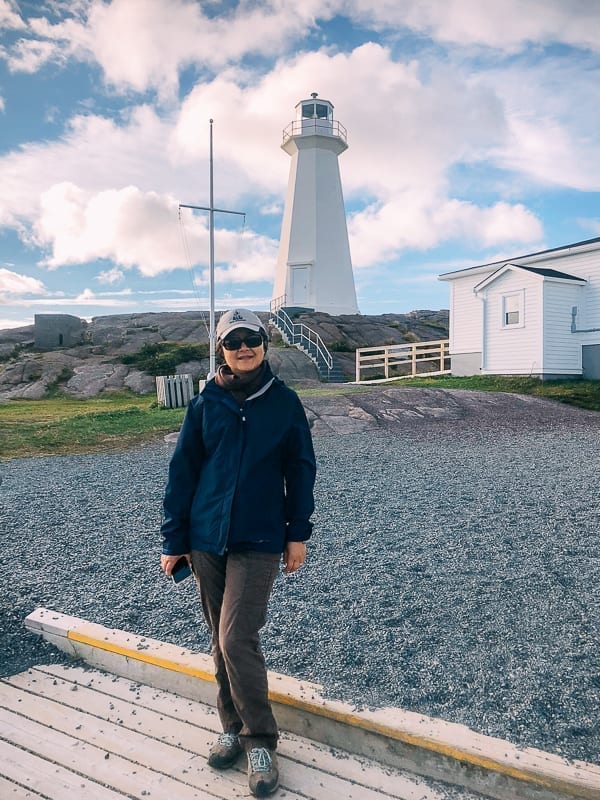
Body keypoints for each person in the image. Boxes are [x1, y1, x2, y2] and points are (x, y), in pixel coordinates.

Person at [160, 308, 316, 798]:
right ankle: (232, 728)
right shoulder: (206, 402)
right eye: (233, 341)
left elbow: (301, 468)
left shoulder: (285, 403)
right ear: (221, 349)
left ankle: (261, 740)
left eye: (252, 338)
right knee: (218, 638)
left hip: (260, 538)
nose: (243, 347)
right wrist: (175, 539)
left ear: (265, 344)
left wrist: (297, 533)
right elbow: (183, 472)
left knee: (235, 638)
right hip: (207, 538)